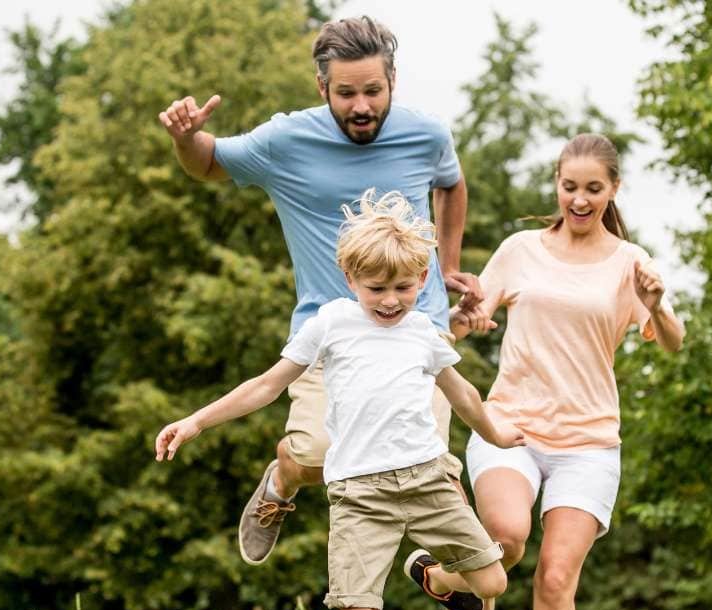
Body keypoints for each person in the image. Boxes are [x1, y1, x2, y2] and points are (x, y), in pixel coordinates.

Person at [154, 190, 521, 610]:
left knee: (492, 581)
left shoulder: (424, 333)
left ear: (422, 278)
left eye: (403, 288)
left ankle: (431, 574)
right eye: (377, 289)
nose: (391, 301)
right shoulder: (332, 325)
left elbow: (464, 395)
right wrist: (197, 421)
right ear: (350, 277)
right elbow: (266, 385)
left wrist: (499, 435)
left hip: (426, 483)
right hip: (360, 495)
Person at [158, 16, 481, 566]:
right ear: (322, 87)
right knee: (316, 456)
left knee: (438, 478)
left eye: (373, 91)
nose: (361, 106)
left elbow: (450, 182)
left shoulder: (426, 134)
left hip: (417, 331)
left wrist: (446, 266)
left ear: (393, 81)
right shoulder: (286, 141)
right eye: (346, 92)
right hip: (329, 338)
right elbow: (208, 163)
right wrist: (187, 139)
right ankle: (282, 478)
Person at [404, 134, 684, 610]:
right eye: (569, 186)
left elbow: (671, 339)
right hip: (513, 427)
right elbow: (469, 316)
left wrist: (656, 307)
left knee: (557, 576)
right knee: (504, 536)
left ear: (613, 190)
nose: (579, 199)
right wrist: (468, 318)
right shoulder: (522, 249)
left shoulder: (630, 262)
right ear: (556, 184)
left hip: (589, 443)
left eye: (593, 188)